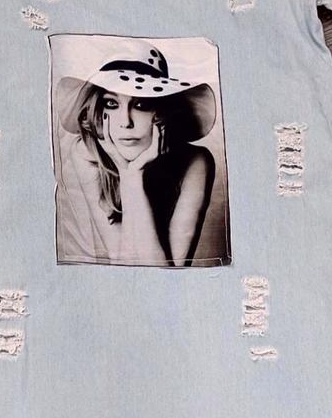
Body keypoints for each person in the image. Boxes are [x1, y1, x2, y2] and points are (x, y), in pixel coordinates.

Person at [54, 41, 218, 266]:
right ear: (99, 109)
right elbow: (122, 261)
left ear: (162, 111)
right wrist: (129, 175)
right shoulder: (85, 153)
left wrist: (131, 176)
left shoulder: (196, 161)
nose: (125, 122)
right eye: (111, 103)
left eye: (141, 105)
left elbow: (169, 275)